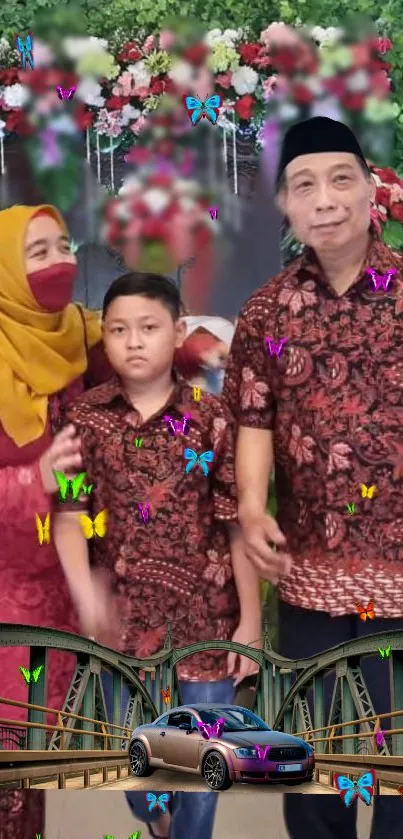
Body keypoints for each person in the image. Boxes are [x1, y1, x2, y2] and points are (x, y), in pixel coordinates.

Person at [222, 116, 403, 839]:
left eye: (339, 179)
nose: (323, 199)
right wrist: (250, 503)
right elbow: (253, 420)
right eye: (304, 185)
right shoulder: (266, 309)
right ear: (286, 207)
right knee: (317, 764)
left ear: (369, 189)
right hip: (310, 573)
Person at [52, 272, 261, 839]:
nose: (134, 341)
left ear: (178, 330)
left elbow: (236, 524)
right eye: (119, 329)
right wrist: (83, 591)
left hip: (207, 617)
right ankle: (155, 817)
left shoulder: (212, 417)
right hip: (122, 622)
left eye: (148, 327)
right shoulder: (84, 419)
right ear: (105, 339)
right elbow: (69, 516)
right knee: (134, 757)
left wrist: (250, 620)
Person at [0, 204, 113, 726]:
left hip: (66, 589)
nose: (58, 262)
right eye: (37, 251)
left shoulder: (80, 336)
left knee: (38, 762)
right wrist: (33, 478)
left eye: (64, 246)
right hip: (8, 593)